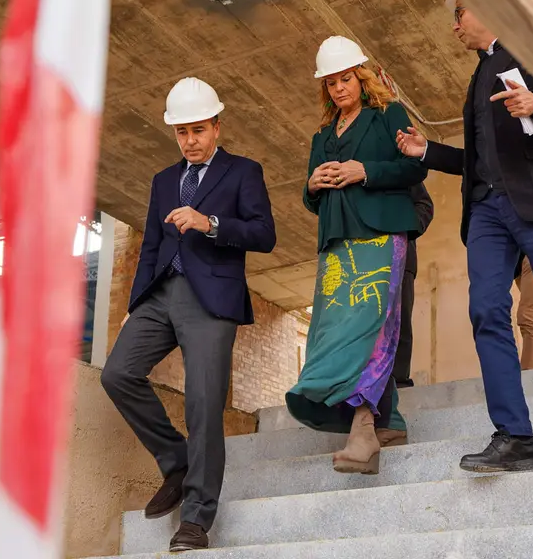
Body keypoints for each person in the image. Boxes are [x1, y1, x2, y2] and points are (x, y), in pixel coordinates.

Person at [396, 0, 533, 471]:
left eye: (460, 14)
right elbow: (482, 161)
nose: (454, 27)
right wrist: (428, 152)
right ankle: (516, 439)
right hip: (487, 210)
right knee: (486, 311)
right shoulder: (479, 78)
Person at [100, 77, 276, 553]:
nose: (190, 141)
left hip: (212, 301)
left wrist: (210, 223)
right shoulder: (162, 181)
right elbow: (151, 247)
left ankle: (196, 519)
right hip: (160, 296)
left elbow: (265, 235)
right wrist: (134, 306)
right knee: (117, 374)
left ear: (217, 126)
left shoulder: (243, 172)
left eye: (198, 130)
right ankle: (176, 461)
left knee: (202, 405)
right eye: (182, 132)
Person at [286, 36, 427, 475]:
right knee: (336, 328)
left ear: (361, 77)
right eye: (330, 83)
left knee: (371, 325)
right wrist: (312, 187)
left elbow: (416, 167)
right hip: (337, 243)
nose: (338, 88)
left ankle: (363, 429)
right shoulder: (322, 137)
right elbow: (314, 202)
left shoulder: (390, 115)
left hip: (382, 235)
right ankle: (394, 421)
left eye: (344, 78)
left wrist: (364, 171)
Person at [392, 182, 435, 388]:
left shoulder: (402, 167)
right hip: (365, 258)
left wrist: (404, 231)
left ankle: (398, 381)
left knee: (400, 322)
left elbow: (425, 205)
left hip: (402, 257)